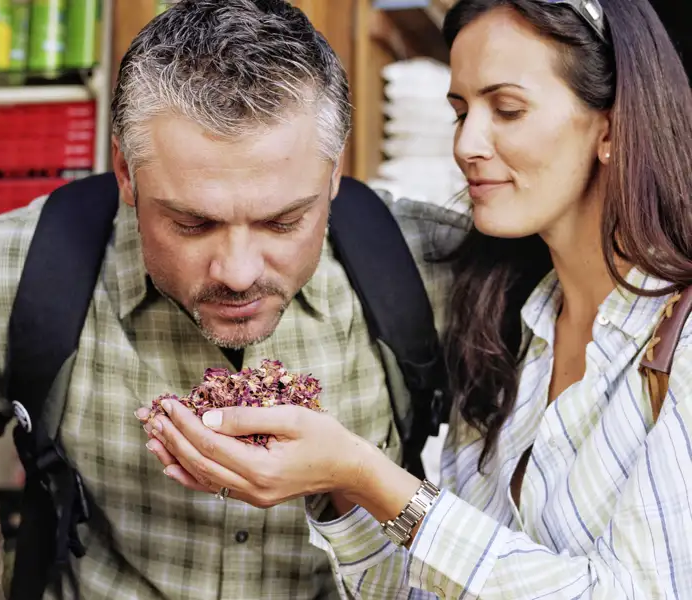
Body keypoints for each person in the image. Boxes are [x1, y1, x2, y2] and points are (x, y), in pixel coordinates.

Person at [144, 0, 692, 598]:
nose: (467, 144)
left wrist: (366, 473)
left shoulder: (678, 342)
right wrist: (336, 489)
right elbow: (436, 587)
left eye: (507, 109)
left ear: (611, 127)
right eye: (460, 111)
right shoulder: (505, 323)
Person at [0, 0, 468, 598]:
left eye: (283, 222)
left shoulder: (438, 273)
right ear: (126, 172)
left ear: (332, 174)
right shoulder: (2, 275)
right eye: (193, 224)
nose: (239, 274)